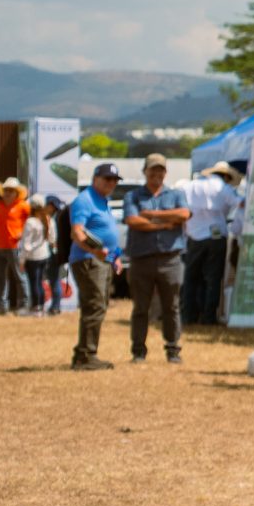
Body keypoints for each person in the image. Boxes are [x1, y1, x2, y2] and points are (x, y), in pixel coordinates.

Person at [119, 155, 191, 364]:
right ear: (145, 172)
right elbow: (133, 220)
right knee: (141, 307)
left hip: (170, 258)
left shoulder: (176, 194)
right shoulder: (132, 196)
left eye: (160, 171)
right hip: (142, 258)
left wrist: (151, 214)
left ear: (165, 173)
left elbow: (184, 214)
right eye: (152, 171)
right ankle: (139, 350)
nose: (156, 175)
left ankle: (172, 349)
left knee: (172, 306)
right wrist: (165, 224)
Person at [64, 165, 126, 370]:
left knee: (97, 305)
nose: (111, 183)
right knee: (95, 305)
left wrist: (115, 256)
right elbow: (77, 233)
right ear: (95, 178)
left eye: (114, 180)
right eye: (107, 178)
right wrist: (94, 252)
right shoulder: (85, 199)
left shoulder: (102, 201)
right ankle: (86, 355)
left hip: (101, 260)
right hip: (88, 260)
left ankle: (86, 353)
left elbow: (105, 233)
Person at [179, 161, 244, 326]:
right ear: (227, 176)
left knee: (191, 278)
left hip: (194, 236)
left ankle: (188, 315)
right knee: (213, 278)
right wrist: (236, 229)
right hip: (216, 237)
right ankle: (208, 317)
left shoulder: (191, 186)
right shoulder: (224, 188)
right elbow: (241, 204)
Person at [0, 178, 31, 315]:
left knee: (20, 276)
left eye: (11, 191)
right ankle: (2, 307)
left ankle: (24, 306)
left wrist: (23, 234)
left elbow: (32, 220)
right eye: (6, 190)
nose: (7, 193)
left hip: (15, 247)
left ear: (17, 193)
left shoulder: (23, 205)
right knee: (0, 278)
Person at [18, 196, 56, 316]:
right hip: (45, 255)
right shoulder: (49, 219)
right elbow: (52, 239)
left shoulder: (31, 222)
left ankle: (36, 308)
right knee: (40, 282)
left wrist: (22, 260)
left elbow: (26, 244)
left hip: (32, 257)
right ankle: (41, 307)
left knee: (34, 282)